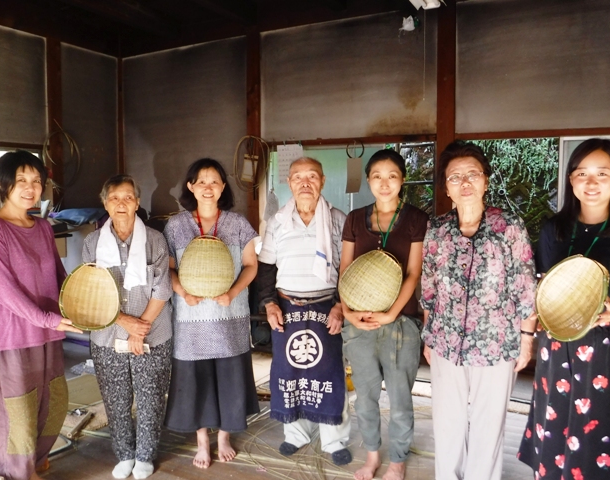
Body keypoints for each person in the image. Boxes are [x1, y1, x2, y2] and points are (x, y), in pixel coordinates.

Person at [420, 141, 537, 480]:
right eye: (455, 177)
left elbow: (526, 287)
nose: (465, 182)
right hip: (445, 343)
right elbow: (429, 289)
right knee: (447, 423)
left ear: (486, 180)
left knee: (489, 426)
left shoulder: (508, 227)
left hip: (496, 344)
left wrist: (526, 339)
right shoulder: (438, 230)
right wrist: (429, 337)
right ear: (446, 187)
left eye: (473, 174)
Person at [518, 138, 610, 479]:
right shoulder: (554, 229)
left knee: (603, 437)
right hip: (557, 348)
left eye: (601, 173)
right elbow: (538, 287)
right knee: (556, 433)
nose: (591, 182)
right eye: (582, 173)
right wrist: (527, 337)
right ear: (570, 180)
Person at [163, 158, 259, 469]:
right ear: (190, 187)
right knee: (196, 379)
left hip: (229, 314)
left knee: (229, 377)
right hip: (190, 319)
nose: (208, 187)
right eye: (201, 181)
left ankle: (224, 437)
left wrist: (231, 293)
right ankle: (203, 440)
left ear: (222, 187)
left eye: (214, 181)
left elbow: (251, 266)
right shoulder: (176, 226)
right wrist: (183, 293)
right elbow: (170, 271)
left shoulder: (238, 223)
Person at [0, 151, 81, 480]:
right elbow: (4, 290)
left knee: (53, 403)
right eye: (21, 181)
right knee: (18, 414)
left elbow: (59, 277)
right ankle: (16, 473)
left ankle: (38, 459)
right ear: (3, 185)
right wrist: (50, 320)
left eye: (37, 181)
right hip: (12, 336)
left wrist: (80, 301)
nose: (31, 188)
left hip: (49, 333)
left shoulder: (43, 227)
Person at [257, 157, 352, 466]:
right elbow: (267, 266)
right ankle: (295, 435)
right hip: (288, 307)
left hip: (327, 306)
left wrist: (341, 304)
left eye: (312, 176)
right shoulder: (278, 221)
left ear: (322, 181)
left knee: (330, 375)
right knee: (291, 374)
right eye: (298, 177)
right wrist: (269, 302)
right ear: (290, 183)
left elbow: (348, 269)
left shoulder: (338, 219)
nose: (305, 182)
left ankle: (334, 439)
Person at [340, 149, 428, 480]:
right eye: (377, 176)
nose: (385, 183)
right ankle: (373, 456)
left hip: (400, 323)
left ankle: (398, 461)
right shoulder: (355, 218)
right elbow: (345, 269)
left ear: (402, 180)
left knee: (401, 397)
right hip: (359, 323)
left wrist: (391, 314)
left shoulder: (416, 219)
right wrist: (348, 311)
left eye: (392, 176)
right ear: (368, 181)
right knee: (365, 397)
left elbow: (413, 273)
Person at [82, 174, 173, 480]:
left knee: (150, 398)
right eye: (114, 198)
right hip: (108, 335)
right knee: (116, 399)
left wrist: (140, 327)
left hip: (154, 333)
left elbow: (163, 288)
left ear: (137, 202)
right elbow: (88, 291)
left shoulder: (155, 239)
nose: (121, 204)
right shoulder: (92, 243)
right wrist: (125, 324)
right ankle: (124, 454)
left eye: (128, 197)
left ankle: (145, 455)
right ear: (105, 203)